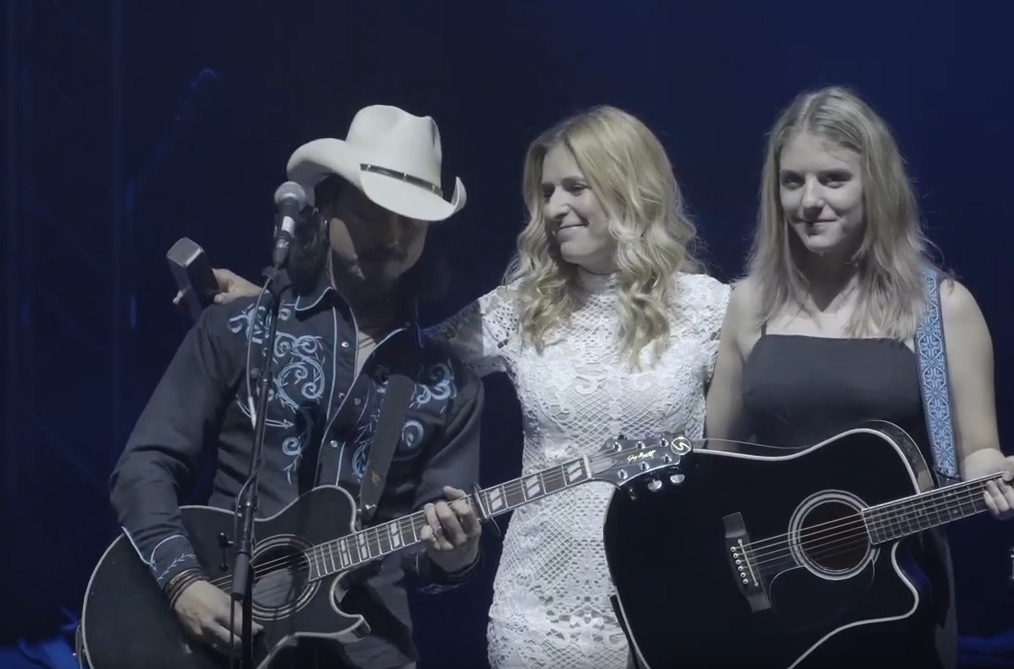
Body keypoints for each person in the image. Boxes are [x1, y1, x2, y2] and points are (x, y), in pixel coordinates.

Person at [186, 105, 732, 669]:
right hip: (544, 612)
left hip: (676, 593)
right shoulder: (524, 308)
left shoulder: (713, 309)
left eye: (575, 188)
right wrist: (276, 309)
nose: (554, 208)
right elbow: (387, 351)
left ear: (630, 188)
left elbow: (739, 457)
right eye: (546, 192)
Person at [114, 105, 486, 669]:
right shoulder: (241, 328)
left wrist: (456, 556)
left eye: (411, 221)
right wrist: (183, 582)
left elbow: (426, 558)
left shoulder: (450, 383)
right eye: (373, 212)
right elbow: (145, 465)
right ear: (326, 205)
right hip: (218, 633)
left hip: (367, 649)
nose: (391, 235)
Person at [704, 86, 1014, 667]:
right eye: (792, 182)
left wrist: (993, 474)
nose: (809, 200)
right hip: (774, 597)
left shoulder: (940, 308)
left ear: (876, 185)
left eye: (833, 179)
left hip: (895, 597)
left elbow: (976, 450)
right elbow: (716, 457)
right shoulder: (750, 304)